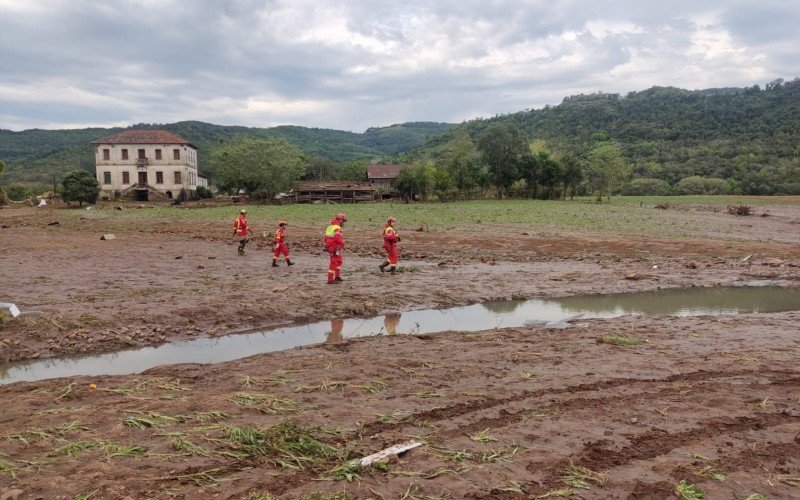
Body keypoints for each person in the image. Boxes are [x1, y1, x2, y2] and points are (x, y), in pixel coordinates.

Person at [324, 213, 347, 284]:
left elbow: (326, 238)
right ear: (340, 220)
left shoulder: (330, 227)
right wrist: (343, 244)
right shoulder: (337, 228)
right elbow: (337, 238)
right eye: (343, 221)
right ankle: (330, 280)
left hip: (332, 246)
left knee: (339, 261)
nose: (343, 223)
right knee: (334, 262)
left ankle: (337, 277)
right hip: (334, 247)